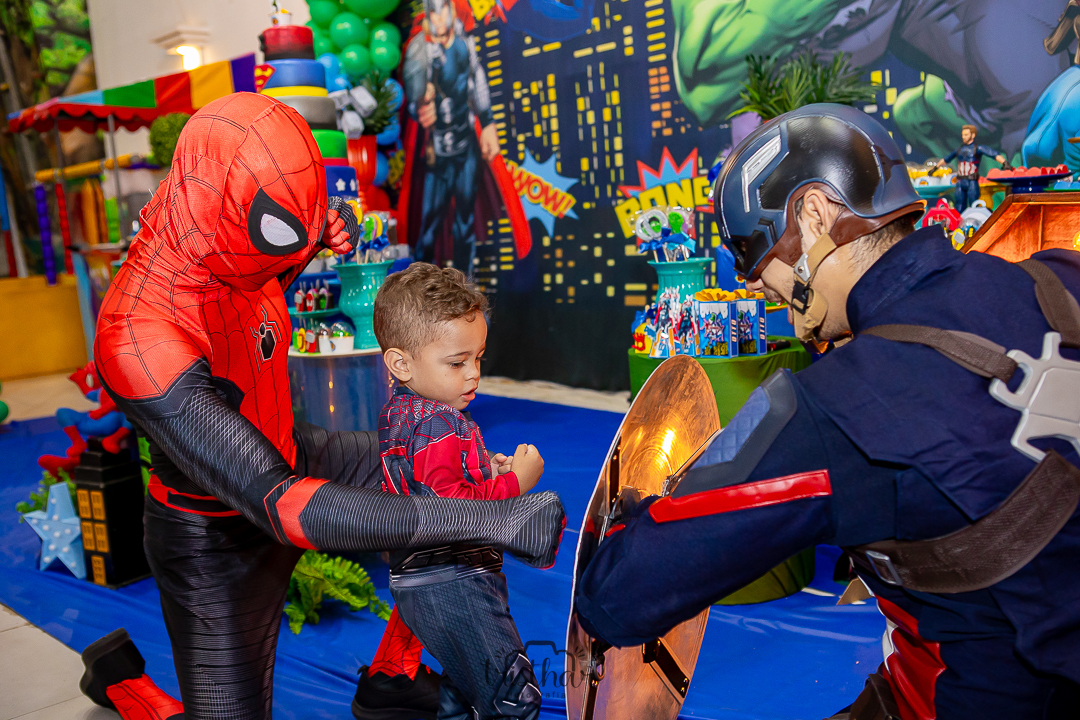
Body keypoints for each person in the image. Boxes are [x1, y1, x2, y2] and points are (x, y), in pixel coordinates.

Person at [573, 103, 1080, 719]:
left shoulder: (837, 406)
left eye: (758, 260)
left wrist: (636, 513)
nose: (758, 286)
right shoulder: (1060, 280)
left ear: (814, 214)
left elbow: (617, 596)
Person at [79, 92, 565, 720]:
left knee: (440, 472)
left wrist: (312, 238)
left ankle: (392, 675)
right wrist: (490, 520)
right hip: (215, 531)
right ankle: (128, 687)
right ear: (216, 202)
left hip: (293, 446)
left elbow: (251, 282)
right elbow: (283, 505)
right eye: (286, 233)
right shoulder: (137, 335)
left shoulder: (231, 244)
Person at [365, 262, 547, 720]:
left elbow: (427, 484)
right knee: (513, 698)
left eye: (478, 358)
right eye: (457, 363)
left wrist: (485, 471)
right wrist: (515, 483)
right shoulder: (440, 423)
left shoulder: (401, 412)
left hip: (418, 577)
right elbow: (453, 513)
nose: (473, 375)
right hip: (455, 581)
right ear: (401, 363)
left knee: (463, 690)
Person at [403, 0, 500, 275]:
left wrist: (488, 123)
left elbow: (477, 81)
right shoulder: (421, 49)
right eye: (433, 12)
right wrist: (422, 106)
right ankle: (420, 290)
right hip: (439, 152)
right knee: (429, 227)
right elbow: (415, 101)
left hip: (466, 145)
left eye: (443, 9)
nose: (439, 17)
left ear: (451, 10)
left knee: (464, 223)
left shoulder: (465, 44)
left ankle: (465, 286)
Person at [937, 124, 1007, 212]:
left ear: (973, 135)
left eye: (966, 135)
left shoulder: (978, 148)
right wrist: (936, 167)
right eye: (963, 135)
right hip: (960, 181)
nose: (963, 137)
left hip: (972, 181)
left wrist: (1005, 163)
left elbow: (993, 154)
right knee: (959, 204)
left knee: (973, 204)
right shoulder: (959, 149)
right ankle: (959, 219)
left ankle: (973, 218)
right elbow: (946, 159)